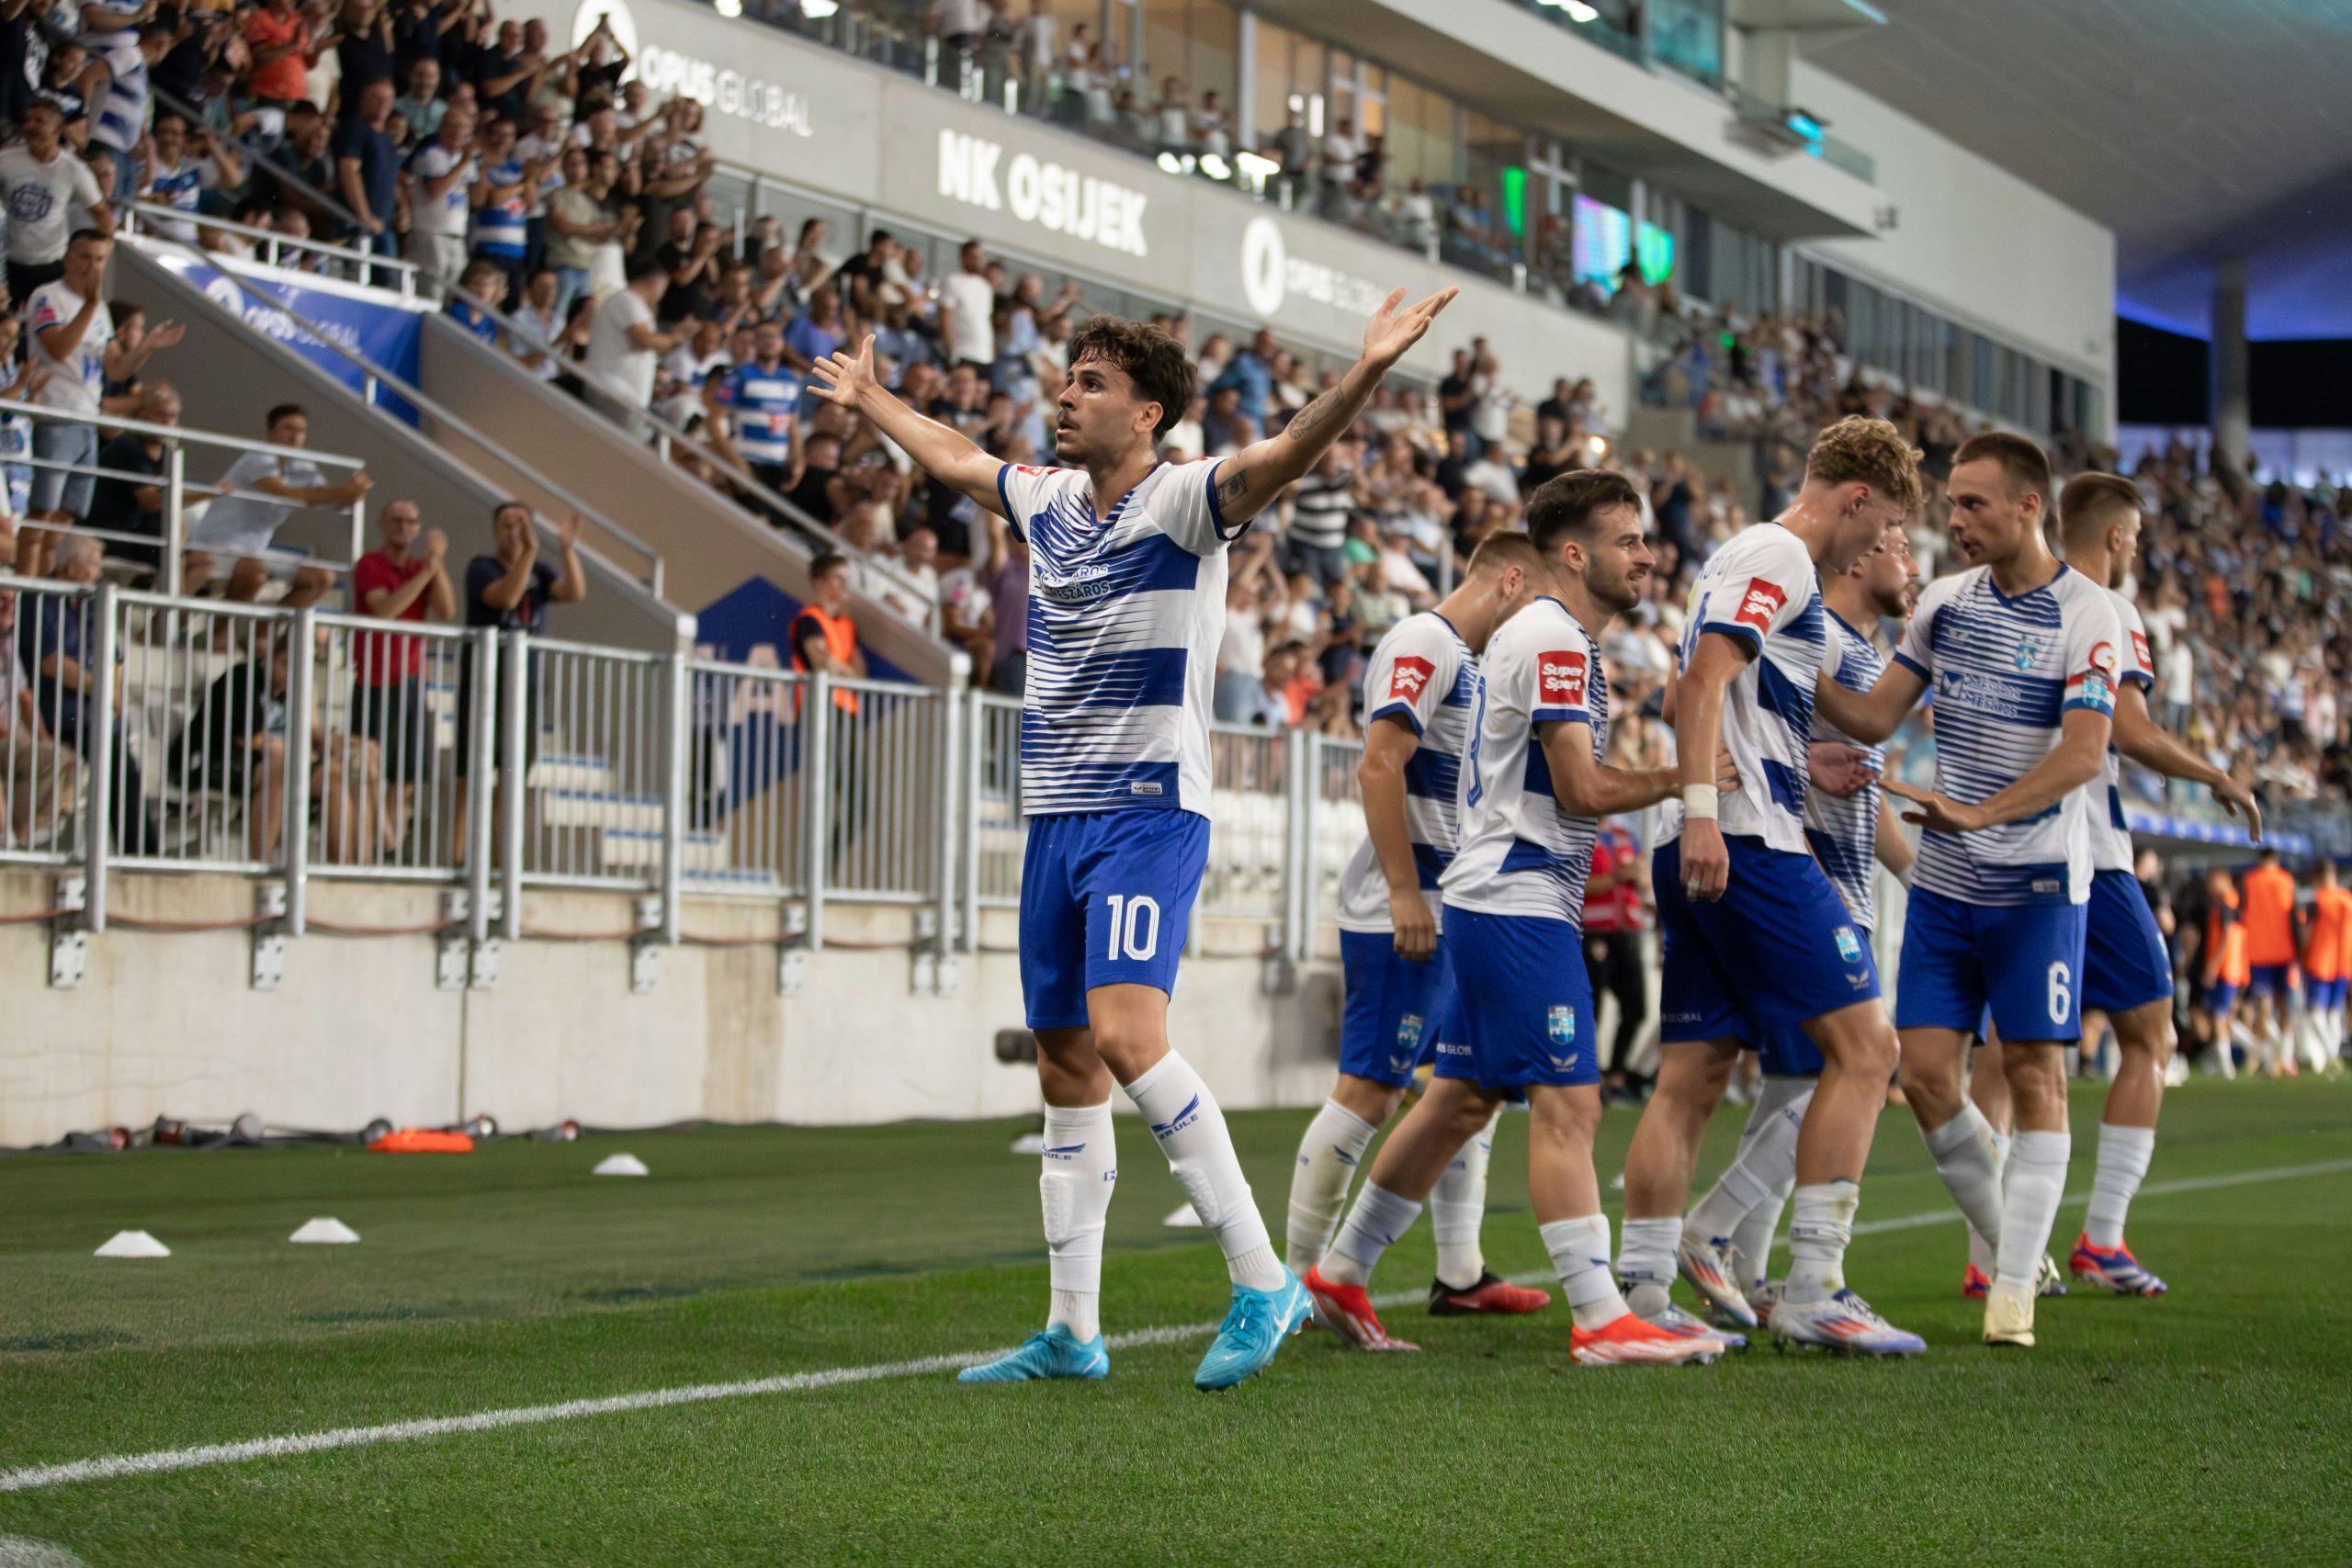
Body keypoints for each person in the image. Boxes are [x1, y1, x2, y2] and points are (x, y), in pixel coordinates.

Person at [810, 282, 1457, 1391]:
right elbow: (956, 456)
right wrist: (872, 397)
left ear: (1149, 411)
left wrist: (1366, 371)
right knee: (1065, 1061)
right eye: (1067, 379)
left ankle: (1263, 1282)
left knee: (1124, 1037)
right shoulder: (1047, 498)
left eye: (1093, 384)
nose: (1066, 396)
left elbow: (1292, 449)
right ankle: (1072, 1330)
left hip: (1148, 813)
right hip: (1056, 815)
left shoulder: (1187, 501)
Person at [1302, 470, 1726, 1367]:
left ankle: (1341, 1271)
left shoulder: (1544, 636)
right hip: (1515, 893)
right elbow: (1580, 790)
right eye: (1626, 541)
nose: (1646, 557)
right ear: (1571, 554)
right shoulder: (1552, 638)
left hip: (1496, 891)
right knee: (1568, 1101)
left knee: (1458, 1101)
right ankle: (1599, 1314)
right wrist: (1688, 783)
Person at [1813, 431, 2126, 1350]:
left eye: (1973, 505)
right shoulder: (1945, 606)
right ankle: (2011, 1245)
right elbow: (1873, 715)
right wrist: (1782, 652)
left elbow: (2083, 751)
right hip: (1948, 886)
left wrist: (1982, 814)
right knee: (1923, 1076)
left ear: (2030, 507)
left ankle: (2014, 1289)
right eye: (1950, 505)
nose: (1953, 522)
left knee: (2033, 1074)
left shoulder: (2089, 614)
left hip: (2034, 886)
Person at [1625, 415, 1924, 1356]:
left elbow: (1850, 712)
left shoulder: (1758, 567)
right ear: (1853, 498)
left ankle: (1641, 1285)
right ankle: (1815, 1287)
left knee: (1692, 1076)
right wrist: (1708, 810)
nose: (1874, 549)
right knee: (1868, 1051)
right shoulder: (1780, 554)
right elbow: (1703, 680)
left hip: (1705, 837)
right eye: (1877, 532)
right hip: (1745, 839)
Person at [1953, 472, 2266, 1298]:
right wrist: (2216, 776)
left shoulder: (2004, 601)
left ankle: (1990, 1254)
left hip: (2005, 854)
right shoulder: (2107, 609)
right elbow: (2125, 729)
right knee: (2150, 1034)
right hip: (2087, 852)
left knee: (2005, 1046)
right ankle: (2100, 1238)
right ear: (2120, 538)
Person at [1282, 531, 1550, 1322]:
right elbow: (1378, 764)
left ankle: (1459, 1274)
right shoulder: (1424, 640)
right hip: (1406, 909)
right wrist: (1404, 891)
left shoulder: (1467, 661)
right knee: (1371, 1087)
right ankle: (1293, 1285)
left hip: (1455, 904)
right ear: (1509, 581)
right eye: (1534, 606)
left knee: (1470, 1084)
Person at [20, 230, 179, 574]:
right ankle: (22, 589)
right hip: (56, 415)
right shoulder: (47, 296)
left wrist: (147, 346)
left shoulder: (101, 310)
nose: (91, 265)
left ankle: (42, 590)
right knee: (42, 512)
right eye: (84, 256)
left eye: (100, 258)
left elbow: (117, 369)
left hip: (86, 420)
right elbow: (58, 349)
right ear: (67, 257)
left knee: (66, 516)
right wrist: (91, 305)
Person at [449, 503, 587, 854]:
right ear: (495, 530)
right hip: (483, 684)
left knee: (511, 778)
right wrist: (529, 551)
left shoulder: (539, 569)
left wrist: (567, 551)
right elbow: (506, 597)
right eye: (507, 524)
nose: (514, 531)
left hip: (524, 686)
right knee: (471, 773)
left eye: (521, 524)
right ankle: (457, 855)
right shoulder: (481, 567)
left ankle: (500, 860)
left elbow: (574, 592)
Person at [181, 403, 372, 606]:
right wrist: (341, 492)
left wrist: (356, 493)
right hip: (216, 547)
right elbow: (284, 492)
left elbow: (328, 499)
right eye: (288, 428)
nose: (295, 436)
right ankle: (222, 636)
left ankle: (264, 635)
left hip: (255, 551)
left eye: (301, 430)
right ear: (270, 432)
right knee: (255, 573)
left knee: (321, 578)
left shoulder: (303, 466)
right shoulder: (258, 457)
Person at [350, 499, 454, 855]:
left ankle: (389, 847)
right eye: (396, 519)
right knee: (372, 770)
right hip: (376, 681)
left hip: (412, 681)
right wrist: (426, 572)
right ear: (381, 523)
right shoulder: (370, 564)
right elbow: (385, 610)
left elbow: (446, 609)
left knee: (406, 778)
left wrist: (434, 565)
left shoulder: (419, 566)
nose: (404, 527)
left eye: (411, 521)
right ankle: (373, 847)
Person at [0, 100, 111, 307]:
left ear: (58, 129)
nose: (29, 126)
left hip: (50, 264)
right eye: (28, 120)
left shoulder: (74, 170)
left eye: (39, 121)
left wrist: (99, 260)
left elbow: (103, 216)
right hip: (8, 262)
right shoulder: (5, 160)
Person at [582, 257, 677, 433]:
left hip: (624, 395)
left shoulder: (633, 304)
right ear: (656, 284)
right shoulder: (627, 301)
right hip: (614, 392)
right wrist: (676, 337)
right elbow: (644, 340)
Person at [2239, 847, 2299, 1075]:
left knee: (2263, 1008)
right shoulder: (2286, 881)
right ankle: (2285, 1057)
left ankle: (2269, 1061)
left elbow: (2241, 912)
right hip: (2285, 952)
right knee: (2285, 1007)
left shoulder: (2249, 881)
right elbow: (2293, 917)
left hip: (2257, 952)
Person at [2303, 860, 2350, 1071]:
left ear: (2318, 877)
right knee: (2333, 1013)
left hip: (2321, 961)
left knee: (2316, 1013)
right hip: (2344, 963)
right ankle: (2333, 1056)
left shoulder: (2318, 900)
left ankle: (2331, 1056)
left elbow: (2307, 933)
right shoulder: (2347, 899)